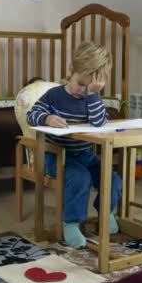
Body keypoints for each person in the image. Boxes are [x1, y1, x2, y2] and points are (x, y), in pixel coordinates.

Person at [26, 42, 122, 249]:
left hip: (84, 154)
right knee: (80, 177)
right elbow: (31, 115)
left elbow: (99, 123)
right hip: (55, 155)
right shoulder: (54, 95)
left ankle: (106, 213)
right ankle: (71, 223)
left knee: (111, 178)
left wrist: (93, 95)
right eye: (80, 83)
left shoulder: (91, 98)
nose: (82, 91)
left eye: (89, 87)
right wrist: (47, 118)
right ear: (70, 71)